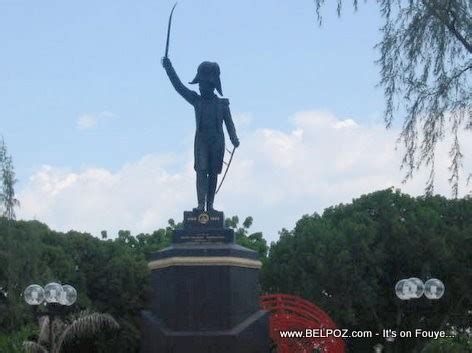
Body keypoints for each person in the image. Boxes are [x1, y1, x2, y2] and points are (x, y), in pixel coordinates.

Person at [162, 57, 240, 212]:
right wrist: (169, 69)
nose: (200, 87)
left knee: (213, 173)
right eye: (200, 84)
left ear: (211, 85)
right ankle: (200, 204)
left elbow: (229, 123)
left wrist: (234, 137)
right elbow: (179, 87)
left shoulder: (222, 104)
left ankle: (210, 206)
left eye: (203, 84)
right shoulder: (196, 100)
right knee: (201, 171)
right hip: (202, 141)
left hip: (217, 141)